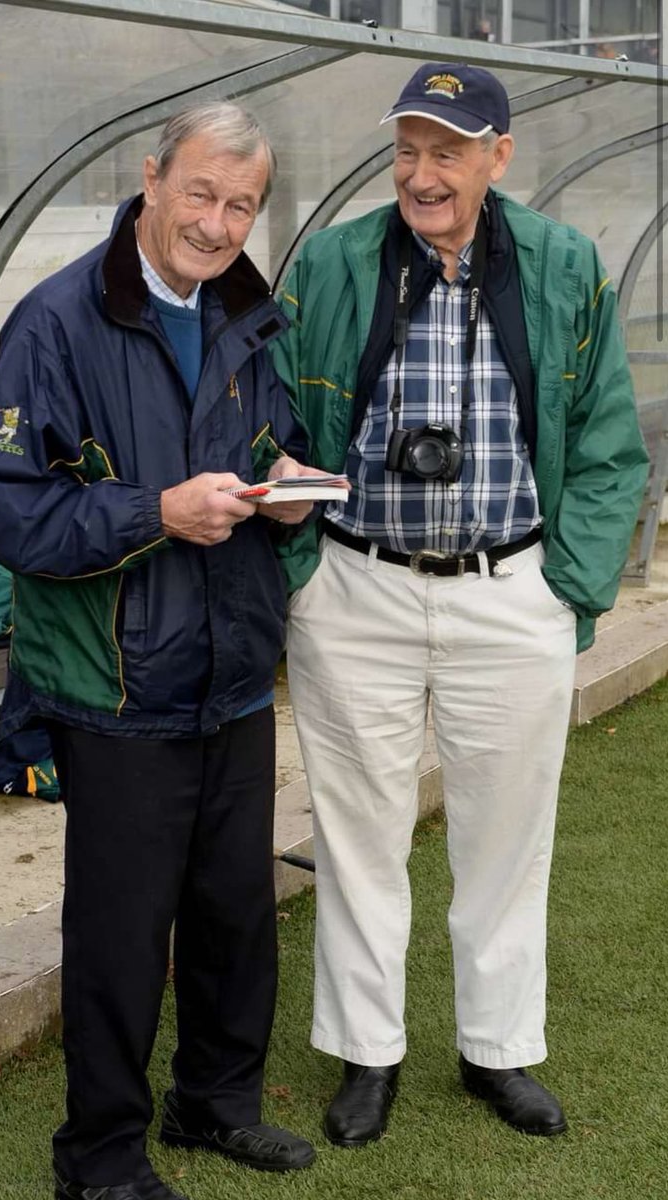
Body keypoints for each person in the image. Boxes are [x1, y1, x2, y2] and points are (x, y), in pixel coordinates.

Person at [271, 62, 649, 1147]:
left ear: (496, 157)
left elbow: (607, 446)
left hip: (507, 589)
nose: (420, 173)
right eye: (407, 149)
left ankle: (498, 1052)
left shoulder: (562, 262)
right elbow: (275, 418)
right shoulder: (338, 260)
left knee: (505, 837)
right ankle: (365, 1056)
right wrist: (303, 557)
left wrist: (564, 587)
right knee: (355, 838)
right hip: (356, 589)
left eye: (446, 151)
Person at [0, 102, 320, 1200]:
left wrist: (291, 495)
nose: (217, 225)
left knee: (233, 911)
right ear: (151, 178)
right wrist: (154, 513)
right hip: (118, 688)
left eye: (241, 205)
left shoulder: (251, 315)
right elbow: (12, 513)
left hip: (232, 676)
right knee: (121, 938)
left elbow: (275, 445)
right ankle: (101, 1157)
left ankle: (215, 1104)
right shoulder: (56, 321)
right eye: (201, 194)